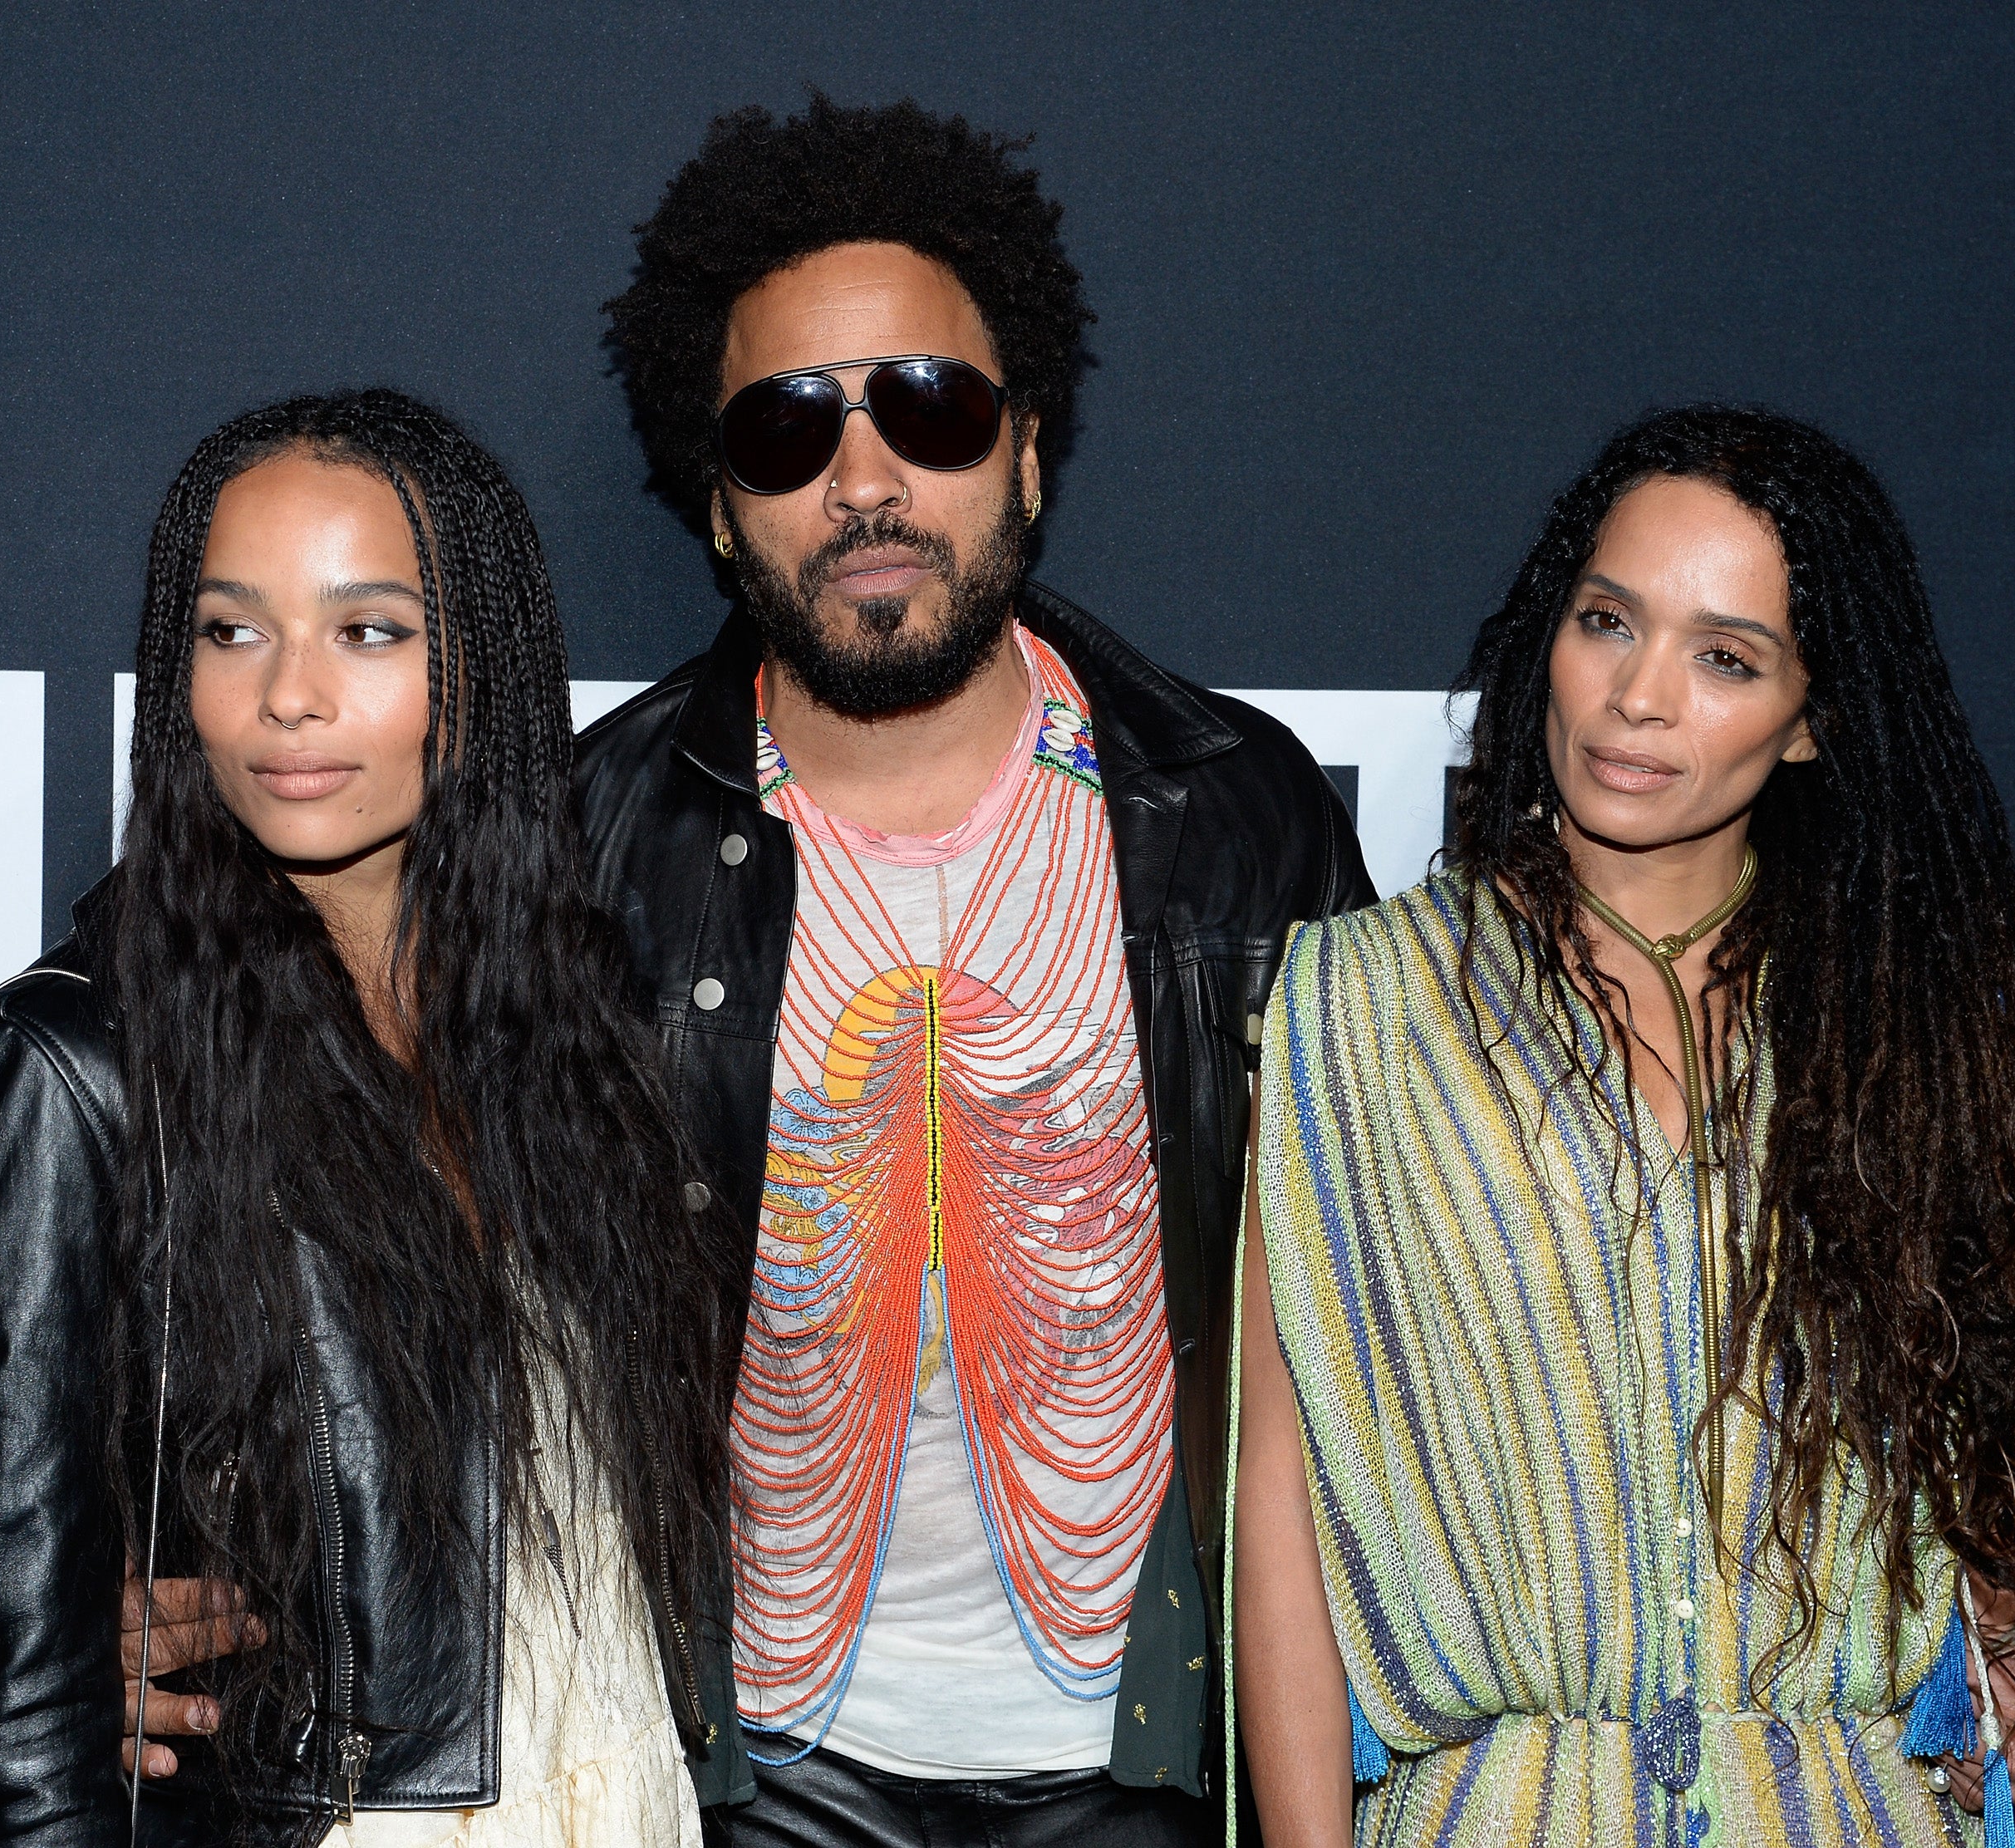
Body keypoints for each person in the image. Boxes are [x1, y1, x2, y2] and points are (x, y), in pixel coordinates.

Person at [130, 97, 1374, 1845]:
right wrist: (134, 1569)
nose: (863, 480)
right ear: (721, 511)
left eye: (928, 409)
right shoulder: (586, 834)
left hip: (1163, 1755)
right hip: (751, 1767)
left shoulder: (1240, 816)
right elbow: (283, 1137)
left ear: (1027, 450)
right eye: (787, 433)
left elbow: (1360, 1333)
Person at [1231, 405, 2015, 1845]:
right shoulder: (1357, 1005)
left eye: (1726, 658)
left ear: (1814, 717)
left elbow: (1980, 1458)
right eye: (1606, 622)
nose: (1638, 697)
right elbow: (1281, 1506)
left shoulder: (1898, 1022)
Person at [0, 389, 734, 1846]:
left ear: (481, 671)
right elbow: (22, 1744)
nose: (288, 695)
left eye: (369, 631)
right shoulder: (73, 1072)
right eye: (232, 632)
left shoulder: (573, 1035)